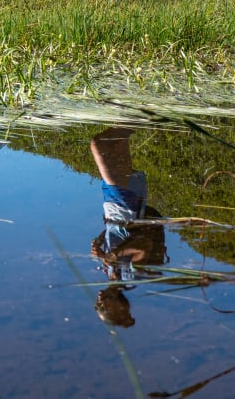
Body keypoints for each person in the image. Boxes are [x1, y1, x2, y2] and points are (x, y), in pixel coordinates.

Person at [89, 126, 166, 327]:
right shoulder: (131, 275)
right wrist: (110, 256)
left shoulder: (110, 272)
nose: (97, 302)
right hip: (126, 206)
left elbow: (114, 235)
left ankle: (135, 117)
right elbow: (143, 244)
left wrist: (98, 244)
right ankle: (140, 118)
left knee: (116, 143)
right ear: (116, 306)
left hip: (115, 207)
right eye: (102, 307)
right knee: (98, 145)